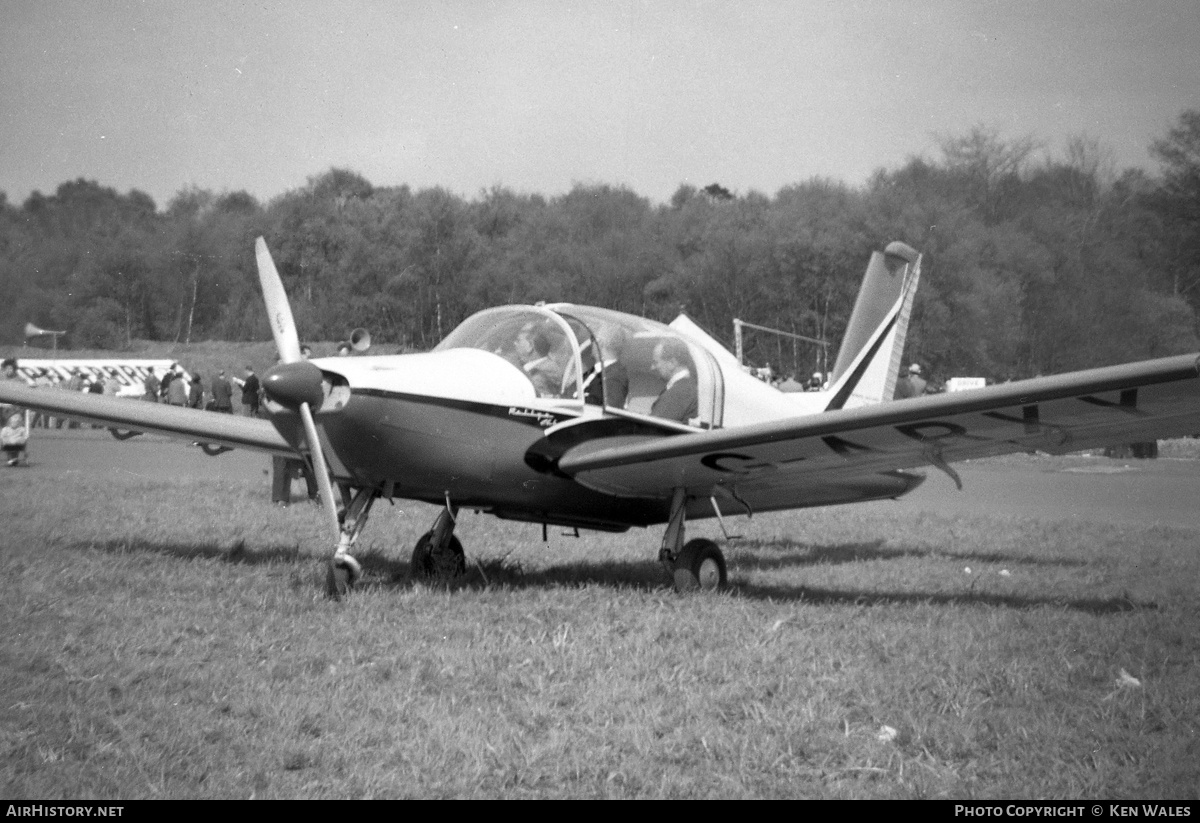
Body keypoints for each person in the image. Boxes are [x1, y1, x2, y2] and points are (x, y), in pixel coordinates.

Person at [650, 338, 698, 424]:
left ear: (672, 363)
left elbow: (652, 429)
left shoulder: (679, 392)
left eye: (656, 362)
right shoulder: (688, 388)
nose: (652, 367)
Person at [583, 326, 629, 408]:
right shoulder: (594, 371)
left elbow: (609, 413)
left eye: (592, 339)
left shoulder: (615, 378)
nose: (591, 343)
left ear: (600, 344)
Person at [515, 323, 561, 396]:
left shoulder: (537, 377)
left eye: (518, 340)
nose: (515, 343)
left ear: (529, 346)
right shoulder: (548, 366)